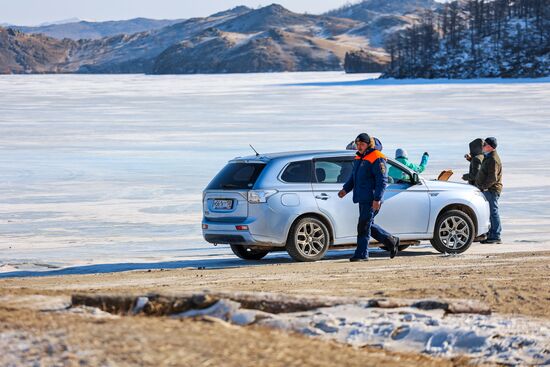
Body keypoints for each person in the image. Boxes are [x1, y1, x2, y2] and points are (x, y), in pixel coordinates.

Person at [338, 133, 400, 262]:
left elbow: (382, 181)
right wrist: (345, 189)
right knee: (367, 225)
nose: (359, 147)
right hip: (362, 197)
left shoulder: (376, 157)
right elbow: (354, 177)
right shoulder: (359, 157)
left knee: (364, 226)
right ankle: (391, 241)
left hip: (372, 198)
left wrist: (377, 199)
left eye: (362, 144)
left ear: (368, 144)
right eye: (358, 144)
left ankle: (362, 254)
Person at [475, 137, 503, 244]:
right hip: (488, 189)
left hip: (492, 190)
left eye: (484, 144)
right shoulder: (488, 157)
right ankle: (491, 234)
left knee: (493, 212)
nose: (482, 146)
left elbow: (493, 178)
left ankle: (496, 235)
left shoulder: (493, 159)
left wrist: (484, 187)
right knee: (489, 212)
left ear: (490, 147)